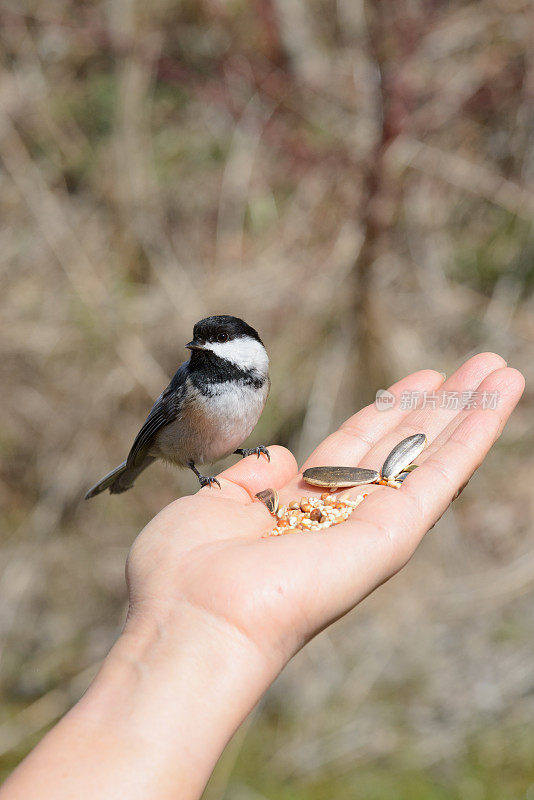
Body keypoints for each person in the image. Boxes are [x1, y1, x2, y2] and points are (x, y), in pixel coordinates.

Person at [0, 353, 524, 800]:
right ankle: (156, 475)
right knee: (180, 462)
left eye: (212, 349)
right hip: (183, 456)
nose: (198, 356)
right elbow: (158, 426)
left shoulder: (254, 378)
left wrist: (243, 453)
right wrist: (185, 472)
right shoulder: (192, 385)